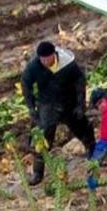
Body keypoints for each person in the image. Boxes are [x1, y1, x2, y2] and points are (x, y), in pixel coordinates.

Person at [17, 38, 92, 183]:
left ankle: (94, 155)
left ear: (54, 54)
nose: (45, 62)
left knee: (82, 128)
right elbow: (26, 85)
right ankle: (38, 172)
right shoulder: (34, 67)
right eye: (42, 59)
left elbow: (79, 81)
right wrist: (31, 107)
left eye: (48, 58)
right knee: (43, 138)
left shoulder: (67, 63)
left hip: (68, 101)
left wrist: (80, 103)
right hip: (47, 104)